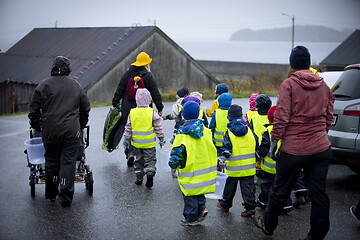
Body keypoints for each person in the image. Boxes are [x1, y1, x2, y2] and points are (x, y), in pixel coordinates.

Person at [253, 46, 334, 240]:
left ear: (292, 64)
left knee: (280, 191)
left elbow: (281, 118)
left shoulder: (288, 84)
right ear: (308, 62)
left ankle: (268, 225)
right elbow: (329, 117)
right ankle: (317, 234)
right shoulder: (324, 86)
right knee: (319, 193)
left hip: (294, 150)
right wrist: (321, 135)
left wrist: (275, 142)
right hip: (321, 148)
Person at [28, 56, 90, 207]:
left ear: (53, 68)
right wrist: (80, 125)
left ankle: (51, 194)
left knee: (51, 161)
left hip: (50, 132)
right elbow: (85, 107)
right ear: (67, 68)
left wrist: (38, 126)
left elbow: (33, 110)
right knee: (68, 163)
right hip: (71, 132)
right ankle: (66, 197)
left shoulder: (43, 85)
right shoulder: (75, 85)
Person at [168, 101, 217, 226]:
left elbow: (178, 152)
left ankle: (191, 218)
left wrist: (173, 164)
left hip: (190, 170)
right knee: (200, 191)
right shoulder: (206, 131)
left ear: (184, 115)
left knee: (189, 195)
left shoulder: (182, 133)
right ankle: (202, 209)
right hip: (204, 169)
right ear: (199, 114)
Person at [112, 52, 164, 166]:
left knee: (129, 130)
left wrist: (115, 102)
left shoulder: (127, 74)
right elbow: (155, 93)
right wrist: (160, 107)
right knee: (143, 131)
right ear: (146, 64)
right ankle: (143, 155)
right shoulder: (148, 76)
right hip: (145, 111)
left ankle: (130, 152)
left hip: (128, 109)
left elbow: (120, 89)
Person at [216, 104, 258, 217]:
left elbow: (227, 149)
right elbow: (257, 143)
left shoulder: (229, 133)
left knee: (229, 189)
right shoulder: (249, 131)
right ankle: (250, 207)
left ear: (229, 118)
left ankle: (225, 204)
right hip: (248, 168)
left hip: (233, 169)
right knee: (248, 189)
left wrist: (221, 158)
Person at [123, 88, 165, 188]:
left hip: (136, 143)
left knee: (138, 160)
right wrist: (161, 138)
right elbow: (158, 127)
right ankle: (150, 172)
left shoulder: (132, 112)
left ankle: (139, 178)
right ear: (149, 100)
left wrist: (126, 139)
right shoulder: (152, 112)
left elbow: (128, 127)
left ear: (136, 100)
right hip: (149, 143)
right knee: (150, 160)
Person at [255, 106, 294, 213]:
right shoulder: (290, 130)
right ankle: (286, 205)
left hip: (270, 167)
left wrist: (258, 155)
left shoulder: (268, 131)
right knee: (283, 187)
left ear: (270, 119)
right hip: (286, 167)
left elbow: (263, 150)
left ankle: (264, 202)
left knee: (267, 185)